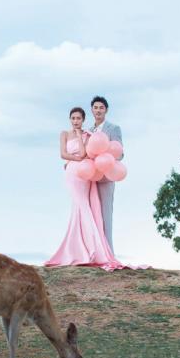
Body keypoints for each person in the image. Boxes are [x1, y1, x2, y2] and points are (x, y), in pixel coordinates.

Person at [44, 107, 126, 271]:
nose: (75, 121)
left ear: (83, 120)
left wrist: (79, 138)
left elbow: (83, 154)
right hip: (72, 172)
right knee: (78, 208)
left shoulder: (86, 135)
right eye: (73, 118)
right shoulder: (64, 134)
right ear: (70, 119)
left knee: (84, 207)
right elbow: (62, 154)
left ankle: (93, 248)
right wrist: (72, 159)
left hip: (84, 174)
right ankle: (80, 249)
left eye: (79, 118)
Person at [90, 96, 121, 253]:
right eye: (95, 108)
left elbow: (120, 153)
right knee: (92, 215)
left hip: (106, 177)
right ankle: (94, 252)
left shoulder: (113, 129)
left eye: (101, 108)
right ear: (92, 110)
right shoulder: (88, 131)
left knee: (106, 215)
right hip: (90, 178)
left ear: (106, 110)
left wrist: (104, 158)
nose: (98, 110)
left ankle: (109, 253)